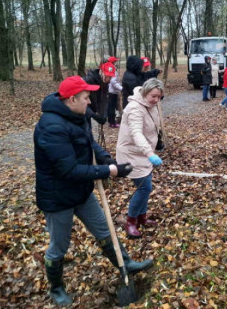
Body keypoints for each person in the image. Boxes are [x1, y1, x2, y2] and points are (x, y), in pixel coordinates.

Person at [34, 76, 153, 306]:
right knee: (59, 247)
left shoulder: (77, 115)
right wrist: (108, 170)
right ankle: (56, 288)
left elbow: (88, 143)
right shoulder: (51, 127)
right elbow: (69, 170)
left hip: (81, 191)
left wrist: (104, 156)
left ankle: (124, 264)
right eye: (86, 97)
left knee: (104, 229)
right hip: (58, 197)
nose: (89, 102)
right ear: (71, 100)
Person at [116, 78, 164, 238]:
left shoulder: (151, 105)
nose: (156, 100)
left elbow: (153, 125)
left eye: (159, 97)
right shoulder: (135, 108)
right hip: (132, 154)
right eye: (153, 96)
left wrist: (157, 142)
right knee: (144, 188)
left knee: (145, 186)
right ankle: (131, 222)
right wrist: (150, 154)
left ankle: (142, 217)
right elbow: (136, 133)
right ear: (145, 92)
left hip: (145, 153)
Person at [83, 60, 116, 128]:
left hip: (91, 113)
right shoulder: (88, 80)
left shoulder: (105, 84)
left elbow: (103, 100)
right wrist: (93, 115)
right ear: (101, 72)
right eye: (108, 76)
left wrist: (103, 114)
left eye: (111, 77)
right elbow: (80, 101)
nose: (109, 79)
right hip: (83, 114)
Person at [106, 57, 122, 128]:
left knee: (111, 107)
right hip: (113, 92)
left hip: (111, 91)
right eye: (115, 62)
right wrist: (121, 88)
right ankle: (112, 123)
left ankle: (111, 121)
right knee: (112, 108)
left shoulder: (109, 69)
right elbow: (113, 81)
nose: (116, 63)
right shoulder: (113, 70)